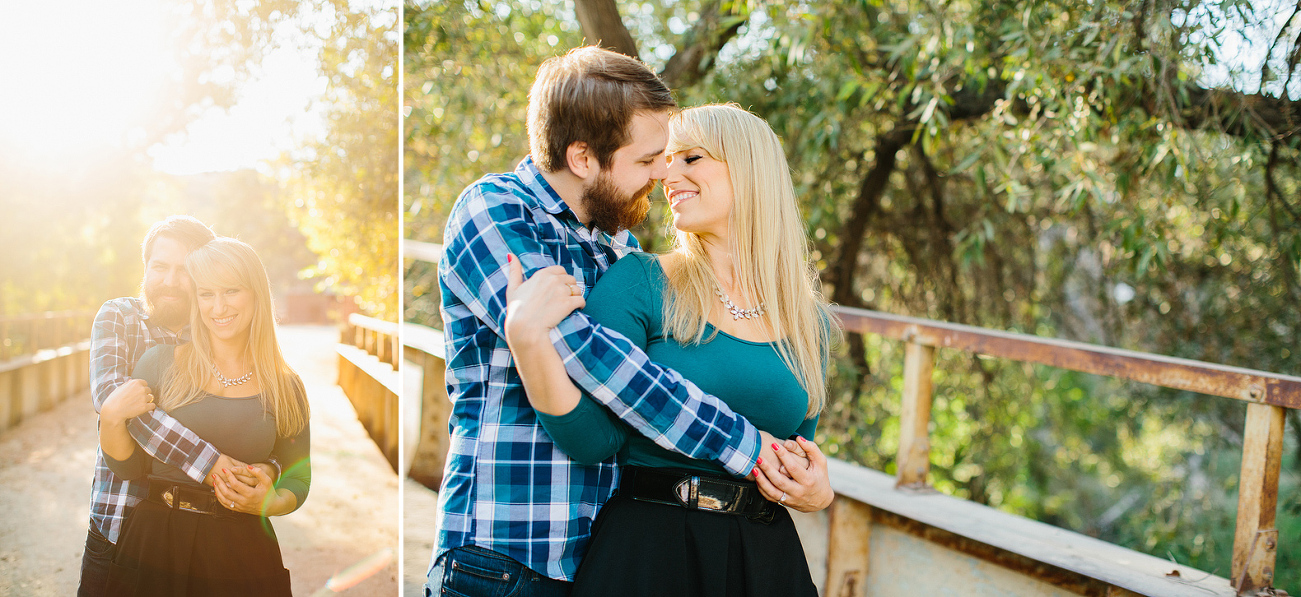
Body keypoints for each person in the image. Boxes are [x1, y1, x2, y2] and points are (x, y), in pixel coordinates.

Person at [430, 47, 791, 596]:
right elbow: (591, 356)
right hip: (506, 553)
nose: (661, 176)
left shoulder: (615, 245)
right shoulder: (495, 212)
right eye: (648, 161)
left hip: (595, 559)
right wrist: (747, 446)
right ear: (582, 158)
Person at [504, 104, 837, 596]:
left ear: (748, 170)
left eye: (690, 158)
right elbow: (593, 440)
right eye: (663, 160)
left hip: (763, 563)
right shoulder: (639, 281)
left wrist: (816, 490)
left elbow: (794, 451)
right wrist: (528, 341)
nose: (667, 174)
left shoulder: (811, 322)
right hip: (650, 553)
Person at [97, 237, 311, 595]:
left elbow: (299, 477)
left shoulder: (286, 386)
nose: (219, 307)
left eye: (231, 291)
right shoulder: (160, 362)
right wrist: (109, 418)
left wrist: (273, 502)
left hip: (242, 549)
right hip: (155, 544)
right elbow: (128, 468)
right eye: (206, 294)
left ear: (256, 293)